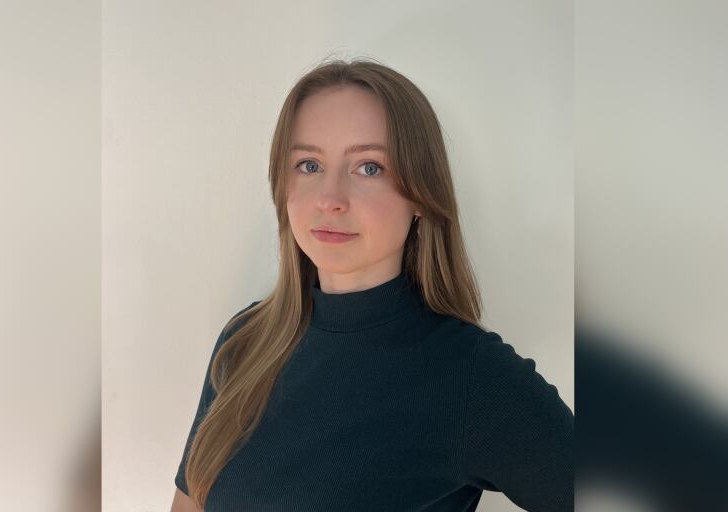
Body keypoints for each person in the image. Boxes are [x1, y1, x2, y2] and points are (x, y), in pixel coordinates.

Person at [170, 57, 573, 512]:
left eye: (369, 168)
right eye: (308, 164)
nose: (330, 199)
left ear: (421, 194)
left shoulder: (469, 377)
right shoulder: (245, 340)